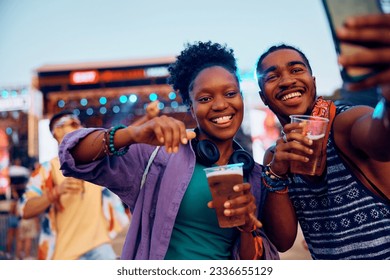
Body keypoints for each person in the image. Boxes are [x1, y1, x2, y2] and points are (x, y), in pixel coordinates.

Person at [58, 41, 281, 260]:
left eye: (230, 93)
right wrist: (132, 134)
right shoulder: (159, 156)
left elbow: (255, 260)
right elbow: (71, 155)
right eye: (205, 98)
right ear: (191, 108)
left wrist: (247, 228)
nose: (220, 105)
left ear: (241, 98)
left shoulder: (256, 176)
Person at [255, 14, 390, 260]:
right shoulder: (275, 157)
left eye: (296, 70)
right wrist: (276, 173)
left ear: (312, 82)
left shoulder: (345, 122)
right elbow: (283, 242)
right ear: (264, 97)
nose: (287, 80)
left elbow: (382, 140)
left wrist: (388, 97)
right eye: (272, 77)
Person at [19, 111, 129, 260]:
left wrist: (148, 119)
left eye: (79, 124)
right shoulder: (46, 170)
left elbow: (123, 141)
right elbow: (25, 210)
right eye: (72, 123)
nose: (79, 128)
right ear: (57, 131)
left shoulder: (97, 162)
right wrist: (55, 192)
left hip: (100, 248)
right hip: (65, 254)